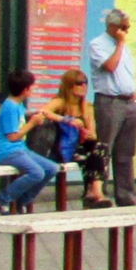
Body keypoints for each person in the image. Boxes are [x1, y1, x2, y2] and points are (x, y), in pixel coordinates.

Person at [86, 6, 136, 207]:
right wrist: (119, 44)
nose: (127, 31)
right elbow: (110, 67)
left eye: (128, 27)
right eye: (123, 27)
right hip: (110, 101)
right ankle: (99, 192)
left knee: (126, 151)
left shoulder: (123, 45)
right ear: (112, 26)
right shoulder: (98, 44)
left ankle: (125, 194)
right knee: (105, 148)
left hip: (129, 101)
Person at [0, 70, 60, 215]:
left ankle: (23, 201)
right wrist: (32, 123)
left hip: (20, 149)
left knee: (52, 168)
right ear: (25, 89)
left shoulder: (19, 105)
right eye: (31, 87)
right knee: (36, 172)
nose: (32, 90)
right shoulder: (9, 107)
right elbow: (12, 137)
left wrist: (35, 117)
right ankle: (0, 199)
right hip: (7, 150)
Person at [45, 66, 109, 208]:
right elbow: (44, 111)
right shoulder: (60, 102)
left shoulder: (87, 106)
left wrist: (85, 129)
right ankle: (93, 192)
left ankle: (94, 191)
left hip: (81, 146)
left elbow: (93, 135)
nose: (84, 86)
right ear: (69, 86)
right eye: (79, 83)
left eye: (85, 82)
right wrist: (67, 120)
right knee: (93, 155)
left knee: (100, 148)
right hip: (63, 148)